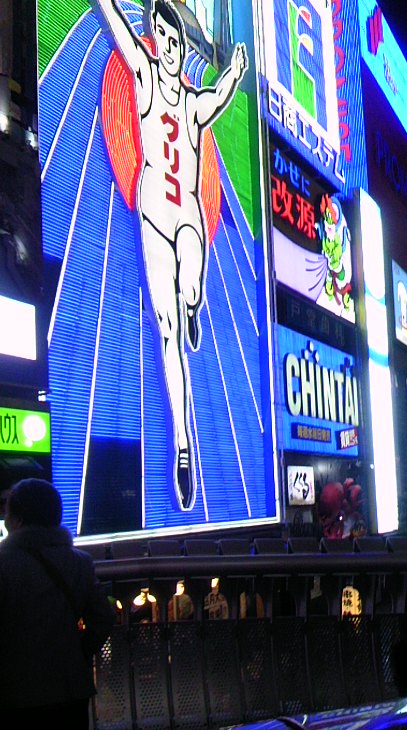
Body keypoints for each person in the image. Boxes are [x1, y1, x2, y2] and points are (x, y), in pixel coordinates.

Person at [90, 0, 248, 510]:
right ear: (156, 40)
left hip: (189, 218)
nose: (171, 48)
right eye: (163, 37)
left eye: (176, 41)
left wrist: (236, 70)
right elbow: (118, 27)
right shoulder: (143, 74)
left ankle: (194, 303)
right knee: (167, 333)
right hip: (154, 215)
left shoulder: (193, 102)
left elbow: (219, 96)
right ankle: (183, 446)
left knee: (192, 286)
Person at [0, 478, 114, 730]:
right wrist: (79, 651)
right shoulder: (79, 562)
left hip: (14, 695)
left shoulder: (4, 563)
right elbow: (103, 617)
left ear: (17, 519)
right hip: (69, 690)